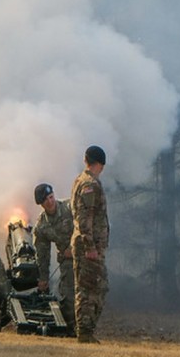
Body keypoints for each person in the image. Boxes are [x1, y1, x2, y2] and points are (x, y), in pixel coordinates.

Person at [70, 145, 110, 343]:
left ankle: (86, 331)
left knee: (94, 286)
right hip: (89, 247)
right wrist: (90, 247)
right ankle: (85, 332)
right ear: (101, 164)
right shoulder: (90, 184)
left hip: (87, 245)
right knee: (90, 288)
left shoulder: (80, 181)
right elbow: (85, 218)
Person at [32, 182, 76, 335]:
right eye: (45, 200)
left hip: (87, 255)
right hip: (68, 262)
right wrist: (43, 279)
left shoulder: (70, 207)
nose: (50, 202)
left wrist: (74, 247)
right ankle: (72, 332)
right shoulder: (42, 226)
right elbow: (42, 255)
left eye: (51, 197)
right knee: (68, 297)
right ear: (41, 204)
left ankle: (87, 329)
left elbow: (86, 226)